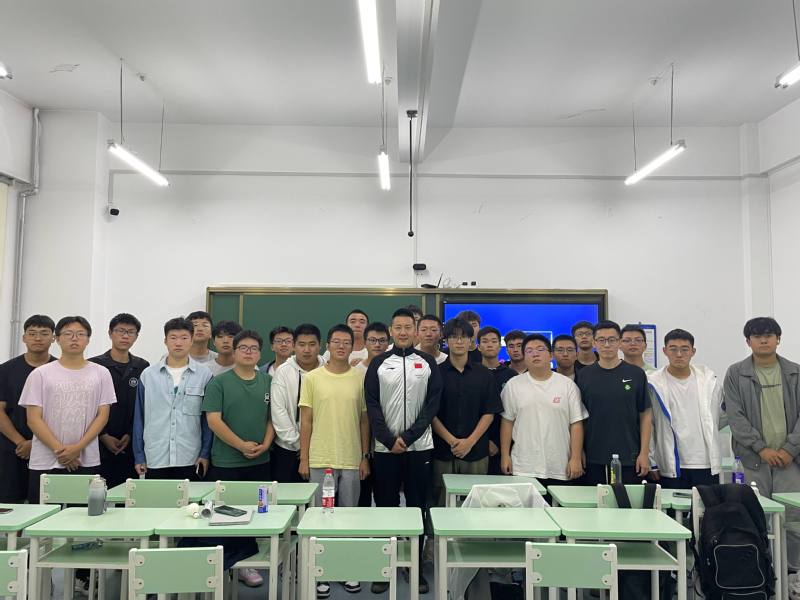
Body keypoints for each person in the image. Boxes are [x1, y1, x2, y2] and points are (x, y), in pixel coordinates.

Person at [365, 308, 442, 594]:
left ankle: (415, 567)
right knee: (385, 505)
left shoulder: (428, 362)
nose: (403, 332)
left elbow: (432, 404)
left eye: (408, 327)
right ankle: (384, 567)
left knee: (416, 506)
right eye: (397, 327)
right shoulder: (379, 363)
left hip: (419, 447)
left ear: (416, 330)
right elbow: (371, 404)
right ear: (391, 330)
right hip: (385, 449)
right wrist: (388, 439)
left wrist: (409, 437)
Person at [299, 324, 370, 598]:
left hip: (351, 459)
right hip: (320, 458)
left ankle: (348, 568)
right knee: (322, 517)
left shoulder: (359, 378)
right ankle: (322, 572)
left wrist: (364, 457)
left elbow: (364, 421)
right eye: (336, 341)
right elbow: (306, 421)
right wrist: (304, 458)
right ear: (327, 345)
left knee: (349, 517)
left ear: (353, 346)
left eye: (346, 342)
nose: (341, 346)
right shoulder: (312, 378)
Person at [725, 316, 800, 572]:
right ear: (748, 342)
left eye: (769, 335)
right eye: (757, 336)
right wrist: (761, 448)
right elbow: (735, 417)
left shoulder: (795, 372)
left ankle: (792, 574)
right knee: (754, 517)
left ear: (778, 339)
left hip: (791, 461)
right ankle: (759, 574)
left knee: (793, 519)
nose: (764, 340)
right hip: (753, 460)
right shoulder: (736, 373)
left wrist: (789, 449)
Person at [202, 329, 274, 589]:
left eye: (254, 348)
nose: (248, 352)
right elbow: (213, 420)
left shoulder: (268, 381)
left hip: (260, 461)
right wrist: (241, 445)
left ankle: (247, 564)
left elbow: (272, 418)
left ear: (260, 354)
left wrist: (266, 444)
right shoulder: (219, 382)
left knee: (257, 514)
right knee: (228, 516)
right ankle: (225, 564)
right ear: (234, 352)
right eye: (243, 348)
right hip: (227, 462)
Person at [20, 316, 116, 503]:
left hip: (86, 458)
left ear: (88, 339)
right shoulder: (40, 374)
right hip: (46, 460)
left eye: (80, 334)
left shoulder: (101, 373)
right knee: (43, 516)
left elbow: (102, 415)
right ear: (57, 338)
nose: (74, 338)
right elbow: (33, 419)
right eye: (68, 334)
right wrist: (61, 451)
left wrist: (77, 449)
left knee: (83, 515)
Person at [500, 334, 587, 488]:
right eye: (529, 351)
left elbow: (576, 424)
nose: (535, 354)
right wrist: (505, 455)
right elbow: (507, 422)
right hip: (523, 466)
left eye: (540, 349)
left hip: (560, 465)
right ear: (524, 356)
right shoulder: (513, 385)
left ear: (551, 355)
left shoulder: (567, 385)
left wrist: (575, 458)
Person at [432, 319, 502, 505]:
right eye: (454, 337)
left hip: (476, 451)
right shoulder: (435, 373)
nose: (459, 341)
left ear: (471, 341)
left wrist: (469, 442)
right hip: (443, 450)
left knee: (475, 503)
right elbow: (431, 413)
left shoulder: (484, 374)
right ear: (446, 341)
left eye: (464, 337)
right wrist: (452, 441)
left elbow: (489, 412)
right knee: (441, 502)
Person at [133, 317, 213, 480]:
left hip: (190, 456)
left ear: (192, 340)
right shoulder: (148, 375)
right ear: (165, 341)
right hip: (155, 456)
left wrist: (205, 453)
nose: (178, 343)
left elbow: (208, 421)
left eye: (184, 338)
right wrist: (139, 455)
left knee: (190, 497)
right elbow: (139, 418)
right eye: (173, 337)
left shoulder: (204, 375)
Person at [576, 320, 651, 485]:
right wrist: (578, 452)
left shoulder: (637, 374)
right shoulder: (583, 375)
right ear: (594, 343)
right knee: (593, 500)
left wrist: (644, 453)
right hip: (593, 457)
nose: (606, 344)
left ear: (619, 343)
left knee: (628, 501)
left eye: (612, 340)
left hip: (629, 456)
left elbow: (645, 415)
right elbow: (578, 418)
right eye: (601, 340)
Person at [648, 329, 722, 488]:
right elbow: (649, 424)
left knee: (707, 504)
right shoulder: (653, 383)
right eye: (673, 349)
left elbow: (721, 417)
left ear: (693, 351)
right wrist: (652, 461)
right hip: (671, 464)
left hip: (706, 463)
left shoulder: (709, 382)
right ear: (664, 351)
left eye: (684, 349)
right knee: (671, 505)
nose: (679, 354)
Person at [89, 313, 150, 487]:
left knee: (128, 494)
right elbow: (87, 406)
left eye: (130, 332)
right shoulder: (94, 365)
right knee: (97, 494)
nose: (125, 336)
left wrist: (130, 434)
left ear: (136, 336)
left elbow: (144, 406)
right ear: (110, 333)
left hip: (130, 444)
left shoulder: (143, 367)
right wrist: (103, 435)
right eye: (120, 331)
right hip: (97, 442)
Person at [0, 315, 56, 502]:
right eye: (32, 333)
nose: (37, 338)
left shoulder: (60, 370)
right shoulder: (5, 370)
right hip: (12, 448)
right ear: (24, 338)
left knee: (46, 502)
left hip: (50, 449)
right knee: (9, 504)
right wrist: (21, 442)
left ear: (53, 338)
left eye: (44, 333)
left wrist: (37, 443)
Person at [270, 323, 324, 483]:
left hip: (322, 449)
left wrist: (312, 446)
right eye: (301, 344)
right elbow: (279, 412)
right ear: (293, 346)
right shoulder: (283, 372)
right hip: (288, 449)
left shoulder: (328, 369)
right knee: (288, 495)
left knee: (320, 495)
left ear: (320, 346)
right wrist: (300, 445)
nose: (307, 350)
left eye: (312, 344)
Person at [355, 322, 389, 507]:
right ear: (365, 342)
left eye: (382, 340)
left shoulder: (395, 369)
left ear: (388, 343)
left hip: (388, 444)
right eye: (372, 340)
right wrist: (364, 454)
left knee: (385, 498)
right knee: (362, 499)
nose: (377, 345)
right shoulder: (356, 372)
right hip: (362, 444)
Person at [477, 325, 518, 474]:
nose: (490, 344)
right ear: (478, 347)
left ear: (500, 346)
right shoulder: (472, 373)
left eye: (494, 341)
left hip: (506, 445)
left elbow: (515, 413)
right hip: (477, 442)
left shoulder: (511, 376)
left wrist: (499, 443)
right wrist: (484, 441)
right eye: (485, 341)